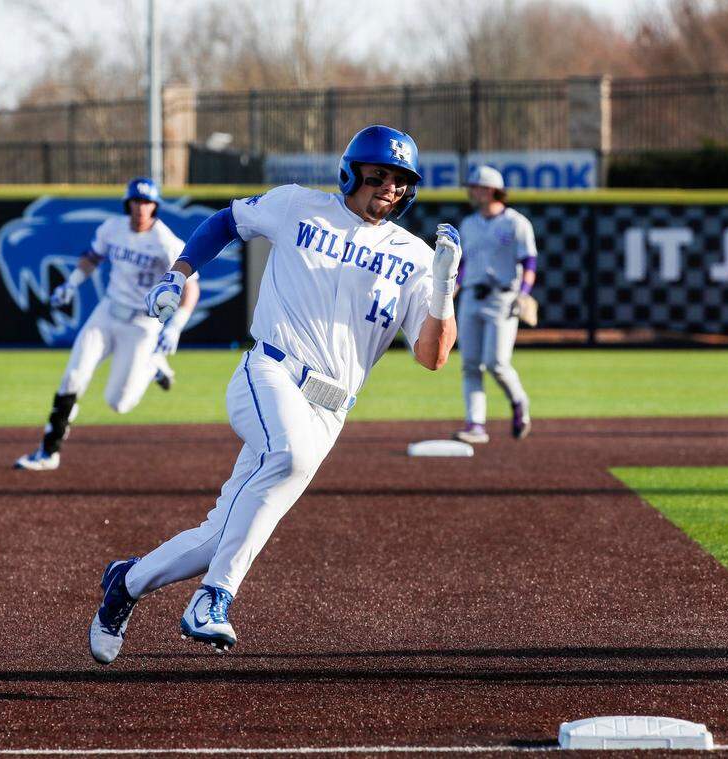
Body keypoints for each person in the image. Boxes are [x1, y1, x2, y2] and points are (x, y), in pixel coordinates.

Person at [87, 124, 461, 662]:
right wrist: (179, 273)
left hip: (332, 409)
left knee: (221, 535)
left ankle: (127, 582)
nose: (390, 187)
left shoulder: (417, 256)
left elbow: (433, 356)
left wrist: (444, 286)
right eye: (380, 174)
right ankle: (213, 600)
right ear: (351, 171)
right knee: (288, 453)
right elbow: (226, 221)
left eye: (402, 180)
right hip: (270, 372)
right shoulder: (298, 206)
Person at [14, 177, 200, 471]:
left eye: (148, 202)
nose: (142, 208)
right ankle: (49, 452)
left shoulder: (166, 241)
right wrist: (71, 283)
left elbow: (190, 286)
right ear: (128, 204)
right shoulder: (112, 229)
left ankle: (154, 363)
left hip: (142, 325)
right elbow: (92, 258)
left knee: (119, 403)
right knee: (73, 376)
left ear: (155, 207)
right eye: (137, 202)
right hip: (107, 313)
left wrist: (176, 325)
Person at [453, 165, 537, 444]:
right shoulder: (468, 224)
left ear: (490, 190)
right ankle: (475, 424)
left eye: (475, 187)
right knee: (470, 364)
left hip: (503, 297)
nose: (471, 191)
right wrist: (452, 289)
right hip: (471, 297)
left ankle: (519, 401)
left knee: (496, 363)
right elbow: (464, 264)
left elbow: (529, 261)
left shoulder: (516, 223)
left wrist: (524, 293)